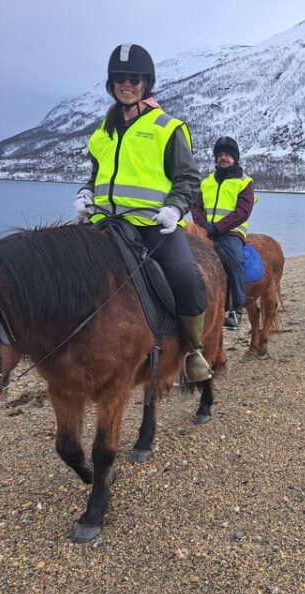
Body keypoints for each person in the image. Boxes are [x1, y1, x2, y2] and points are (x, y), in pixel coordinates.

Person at [73, 43, 211, 382]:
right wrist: (85, 193)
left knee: (187, 278)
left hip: (151, 224)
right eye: (120, 78)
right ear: (111, 84)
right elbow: (97, 174)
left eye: (134, 78)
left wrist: (175, 208)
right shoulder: (102, 132)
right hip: (103, 223)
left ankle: (193, 350)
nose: (127, 84)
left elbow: (188, 178)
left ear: (146, 82)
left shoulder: (168, 127)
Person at [191, 136, 256, 330]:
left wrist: (218, 227)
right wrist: (203, 225)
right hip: (206, 232)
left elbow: (242, 212)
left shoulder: (245, 182)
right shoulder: (207, 182)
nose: (223, 158)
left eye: (227, 154)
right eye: (220, 155)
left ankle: (236, 310)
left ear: (235, 157)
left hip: (231, 234)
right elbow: (196, 207)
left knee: (236, 260)